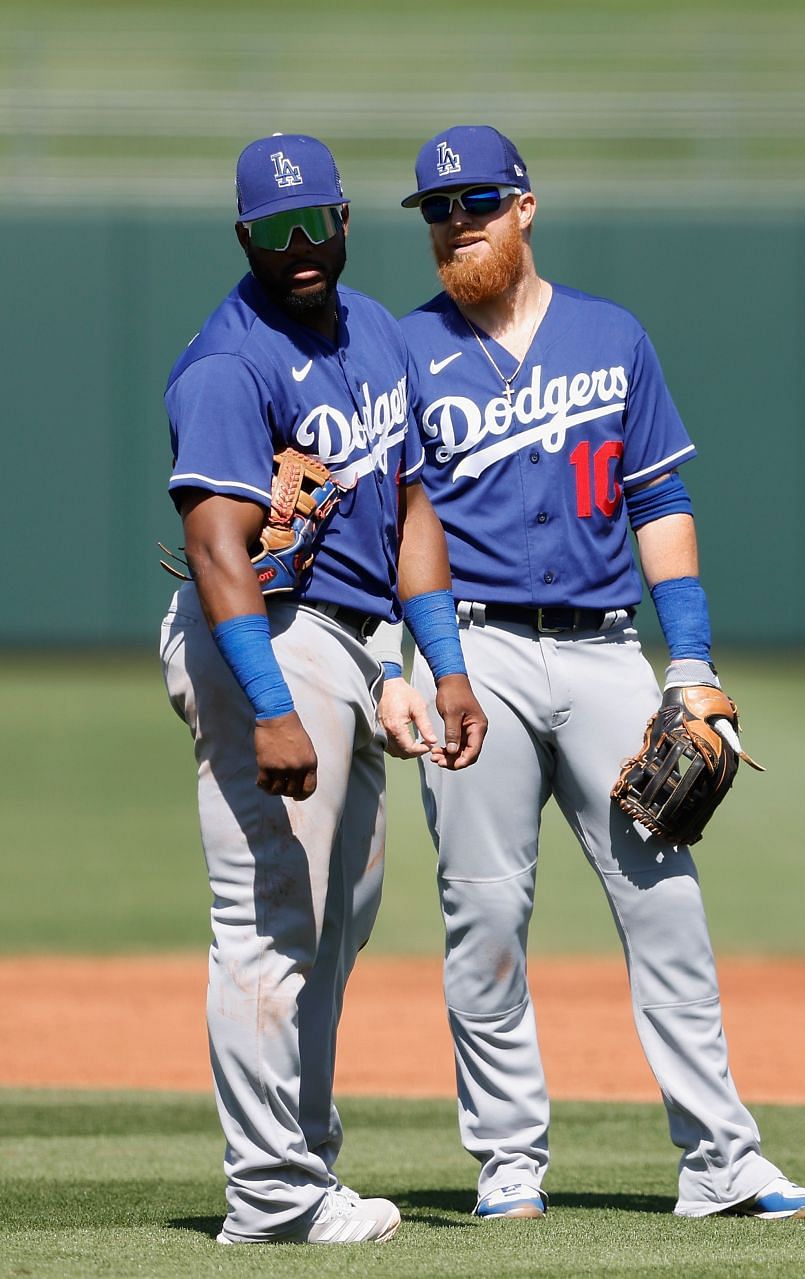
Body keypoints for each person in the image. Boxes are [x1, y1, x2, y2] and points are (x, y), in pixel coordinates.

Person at [373, 125, 805, 1223]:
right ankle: (507, 1163)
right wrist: (419, 659)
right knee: (484, 915)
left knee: (666, 904)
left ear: (525, 206)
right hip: (470, 648)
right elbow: (401, 523)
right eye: (437, 208)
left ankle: (721, 1160)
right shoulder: (403, 349)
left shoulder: (610, 337)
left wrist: (691, 664)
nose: (456, 223)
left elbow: (660, 507)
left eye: (476, 201)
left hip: (602, 647)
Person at [159, 133, 487, 1245]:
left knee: (339, 919)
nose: (301, 248)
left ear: (346, 219)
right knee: (271, 917)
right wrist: (269, 704)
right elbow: (215, 547)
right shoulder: (225, 364)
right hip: (267, 635)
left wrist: (443, 663)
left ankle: (301, 1157)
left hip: (351, 641)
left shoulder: (378, 336)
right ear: (246, 235)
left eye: (317, 223)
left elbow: (410, 511)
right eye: (275, 230)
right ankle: (271, 1194)